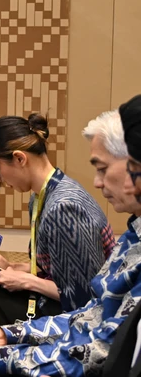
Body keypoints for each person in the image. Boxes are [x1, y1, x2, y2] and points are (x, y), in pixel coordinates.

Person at [0, 103, 141, 376]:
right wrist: (8, 329)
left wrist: (5, 351)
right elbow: (92, 310)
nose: (97, 182)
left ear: (19, 158)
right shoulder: (48, 198)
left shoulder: (65, 207)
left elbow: (82, 302)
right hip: (71, 328)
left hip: (57, 315)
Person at [103, 95, 141, 377]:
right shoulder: (134, 229)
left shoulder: (65, 206)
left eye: (134, 170)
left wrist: (3, 354)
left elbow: (75, 297)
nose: (129, 185)